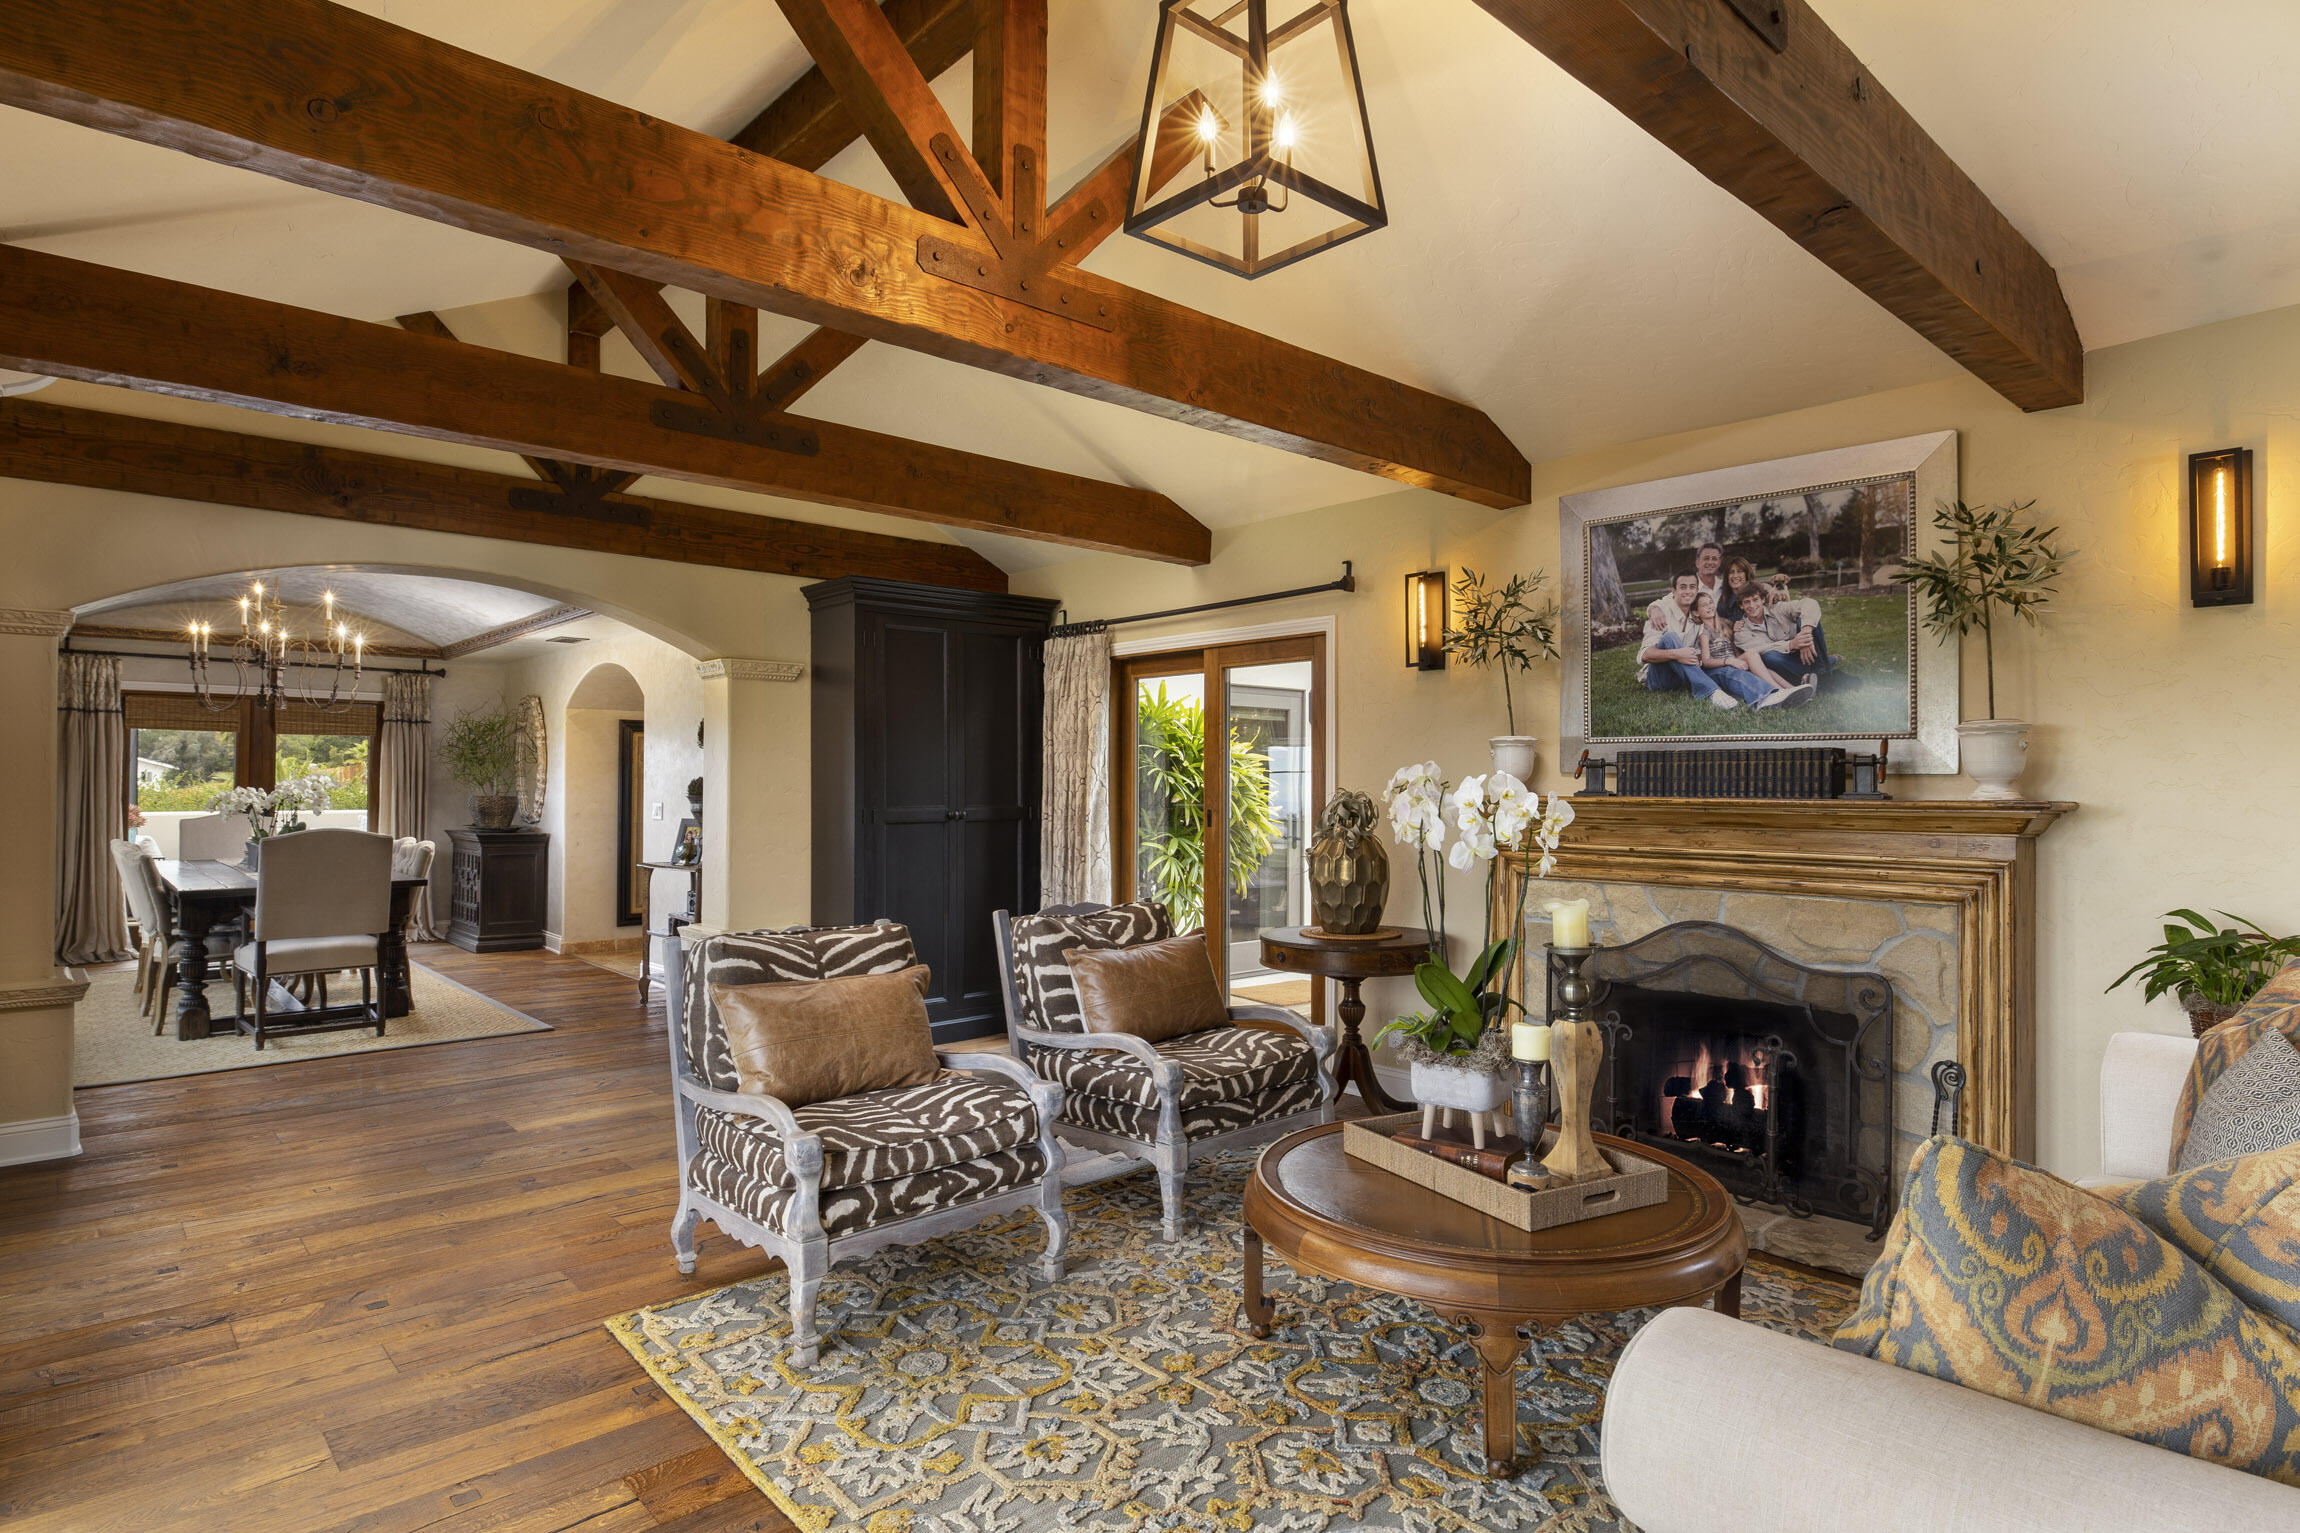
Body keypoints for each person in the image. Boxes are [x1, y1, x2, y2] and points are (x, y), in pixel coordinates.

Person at [1638, 573, 1770, 709]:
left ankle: (1766, 694)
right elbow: (1645, 655)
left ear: (1697, 591)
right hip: (1661, 678)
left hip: (1686, 675)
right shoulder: (1660, 615)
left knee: (1726, 670)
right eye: (1683, 587)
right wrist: (1677, 654)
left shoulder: (1698, 620)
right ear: (1674, 591)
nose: (1688, 591)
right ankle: (1711, 692)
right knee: (1669, 638)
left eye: (1692, 587)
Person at [1692, 591, 1811, 708]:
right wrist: (1729, 661)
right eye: (1704, 605)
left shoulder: (1724, 625)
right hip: (1720, 667)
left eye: (1710, 602)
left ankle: (1792, 689)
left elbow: (1734, 650)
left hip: (1734, 660)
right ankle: (1779, 690)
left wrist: (1740, 661)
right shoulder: (1703, 632)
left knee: (1765, 670)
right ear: (1696, 612)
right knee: (1751, 653)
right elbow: (1706, 661)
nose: (1709, 607)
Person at [1734, 584, 1834, 689]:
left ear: (1763, 600)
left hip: (1804, 651)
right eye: (1747, 602)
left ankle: (1821, 671)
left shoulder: (1778, 608)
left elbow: (1810, 603)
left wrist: (1805, 633)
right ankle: (1816, 673)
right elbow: (1761, 649)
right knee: (1769, 657)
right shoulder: (1740, 632)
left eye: (1755, 600)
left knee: (1807, 620)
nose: (1752, 605)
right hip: (1785, 663)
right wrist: (1791, 644)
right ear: (1741, 606)